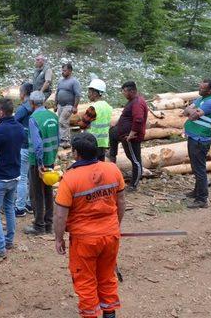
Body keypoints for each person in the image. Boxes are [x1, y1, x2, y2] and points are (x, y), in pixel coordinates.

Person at [54, 132, 126, 318]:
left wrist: (58, 238)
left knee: (85, 281)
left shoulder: (70, 179)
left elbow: (60, 215)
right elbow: (121, 202)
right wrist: (115, 225)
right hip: (110, 235)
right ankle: (109, 314)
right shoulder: (112, 170)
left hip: (84, 240)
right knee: (107, 276)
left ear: (76, 153)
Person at [0, 98, 26, 257]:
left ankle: (0, 247)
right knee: (9, 207)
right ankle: (9, 240)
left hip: (0, 177)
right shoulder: (19, 127)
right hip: (15, 175)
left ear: (1, 112)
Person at [24, 90, 60, 235]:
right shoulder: (53, 116)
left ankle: (39, 225)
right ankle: (49, 223)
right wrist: (52, 157)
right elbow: (58, 138)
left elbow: (37, 144)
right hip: (50, 159)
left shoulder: (34, 119)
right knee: (48, 190)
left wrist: (39, 165)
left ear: (32, 103)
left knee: (36, 192)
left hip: (38, 162)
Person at [183, 79, 211, 209]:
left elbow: (192, 116)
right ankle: (197, 192)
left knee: (199, 169)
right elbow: (185, 112)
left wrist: (191, 111)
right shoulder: (201, 99)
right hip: (193, 137)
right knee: (195, 167)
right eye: (200, 87)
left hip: (200, 139)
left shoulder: (210, 102)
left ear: (209, 90)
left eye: (203, 88)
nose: (200, 89)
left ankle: (202, 199)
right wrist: (191, 111)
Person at [109, 81, 148, 190]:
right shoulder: (132, 101)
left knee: (135, 160)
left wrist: (132, 134)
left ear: (132, 91)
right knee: (112, 132)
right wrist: (116, 124)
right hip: (123, 134)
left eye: (125, 91)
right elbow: (125, 116)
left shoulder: (137, 103)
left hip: (131, 137)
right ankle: (112, 156)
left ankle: (133, 185)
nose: (123, 93)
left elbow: (138, 119)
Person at [79, 79, 113, 161]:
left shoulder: (93, 108)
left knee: (91, 164)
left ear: (95, 93)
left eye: (89, 92)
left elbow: (83, 124)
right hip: (103, 142)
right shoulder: (108, 106)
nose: (88, 94)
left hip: (92, 141)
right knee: (100, 163)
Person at [14, 83, 34, 217]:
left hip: (24, 146)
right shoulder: (36, 106)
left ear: (23, 93)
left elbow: (13, 122)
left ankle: (20, 207)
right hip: (34, 147)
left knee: (21, 178)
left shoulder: (23, 108)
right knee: (31, 177)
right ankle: (30, 203)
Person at [55, 63, 81, 148]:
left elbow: (77, 95)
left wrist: (75, 106)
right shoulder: (60, 81)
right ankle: (62, 139)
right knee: (60, 122)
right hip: (60, 105)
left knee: (63, 121)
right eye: (62, 70)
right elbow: (57, 92)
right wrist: (55, 104)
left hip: (69, 105)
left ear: (70, 71)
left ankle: (66, 140)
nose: (63, 72)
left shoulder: (74, 81)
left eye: (65, 70)